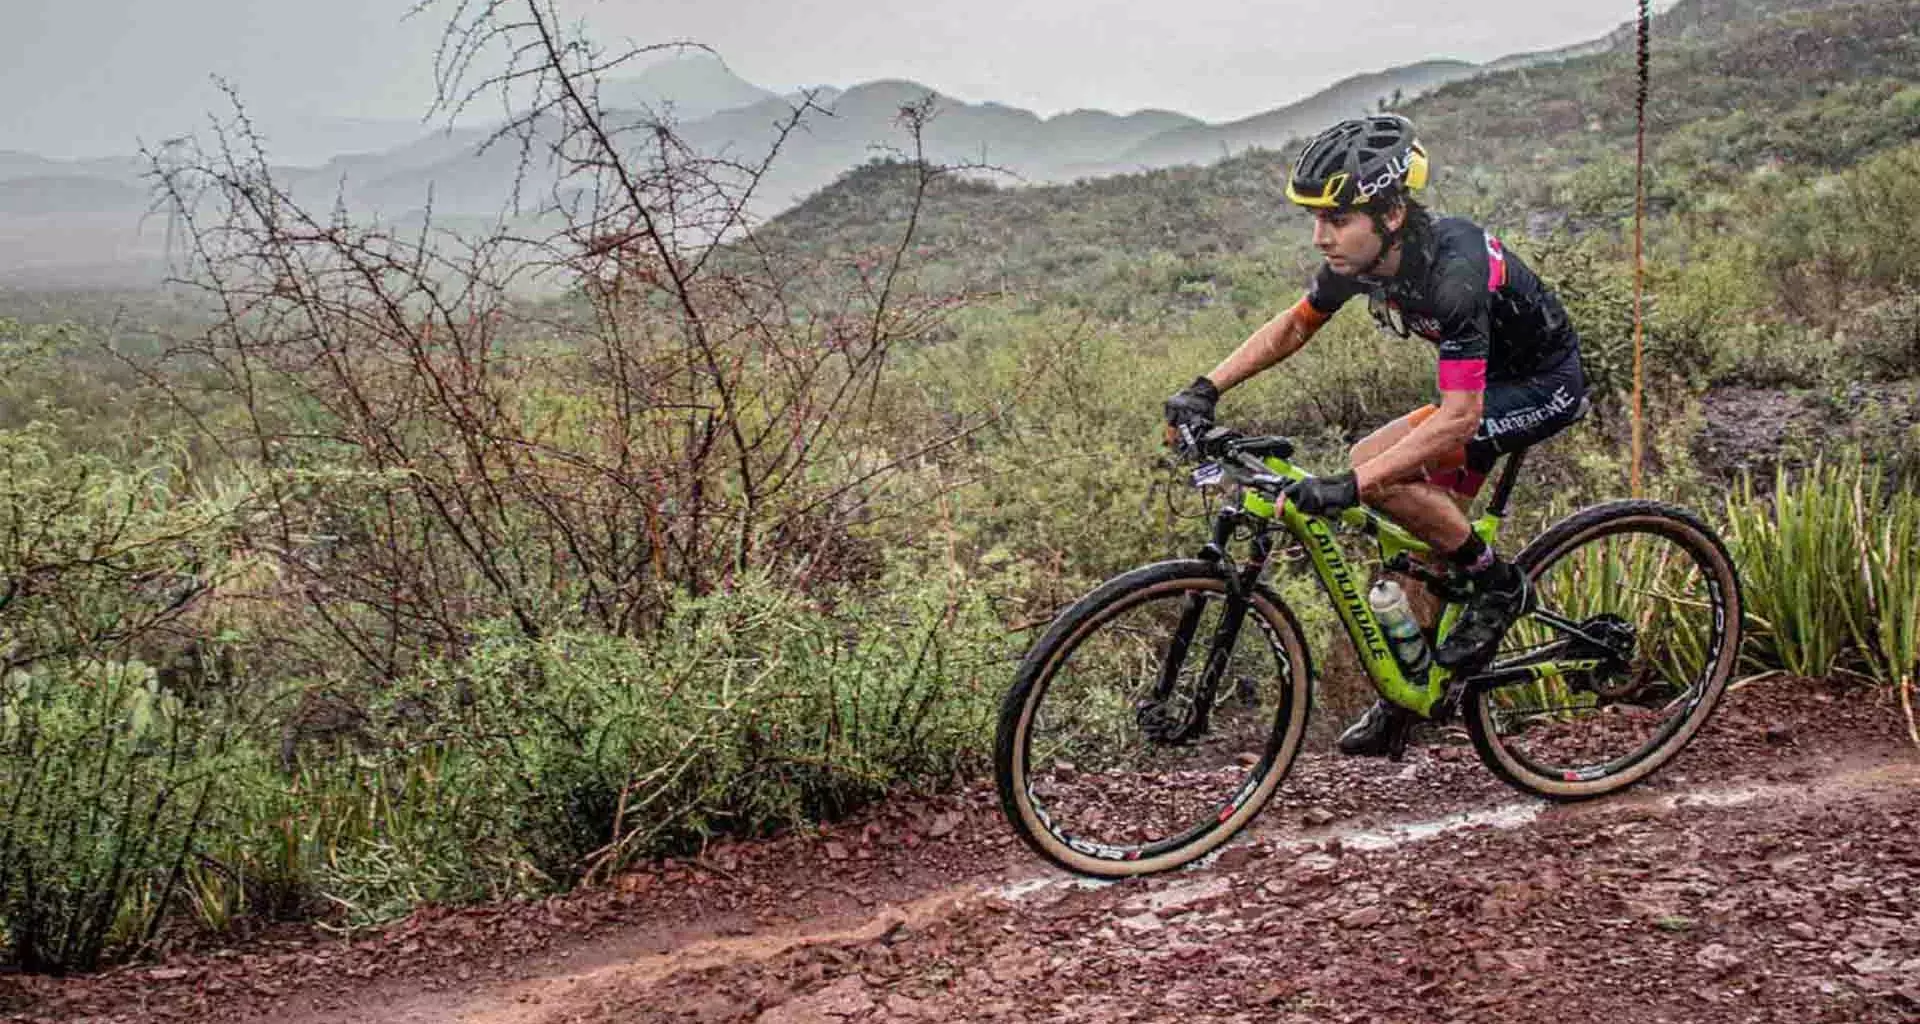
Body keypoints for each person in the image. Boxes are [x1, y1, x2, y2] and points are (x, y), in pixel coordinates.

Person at [1163, 114, 1588, 757]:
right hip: (1477, 388)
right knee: (1408, 526)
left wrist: (1350, 486)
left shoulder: (1455, 272)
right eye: (1316, 218)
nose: (1319, 236)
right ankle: (1413, 697)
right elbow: (1294, 326)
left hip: (1538, 385)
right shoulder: (1362, 262)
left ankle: (1495, 585)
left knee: (1375, 471)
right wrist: (1207, 386)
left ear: (1389, 214)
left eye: (1335, 219)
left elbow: (1459, 417)